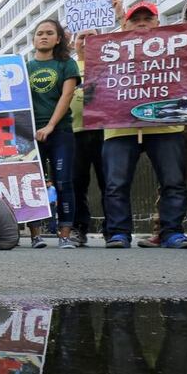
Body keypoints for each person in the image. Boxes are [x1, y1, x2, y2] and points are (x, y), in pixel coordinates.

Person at [102, 1, 187, 248]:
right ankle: (119, 233)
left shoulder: (177, 47)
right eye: (135, 19)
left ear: (158, 23)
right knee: (115, 184)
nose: (141, 22)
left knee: (173, 181)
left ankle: (171, 232)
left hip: (166, 125)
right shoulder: (110, 50)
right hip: (119, 126)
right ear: (126, 24)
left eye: (147, 18)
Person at [27, 19, 80, 249]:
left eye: (49, 33)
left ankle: (65, 235)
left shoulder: (66, 64)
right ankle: (35, 235)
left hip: (60, 132)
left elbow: (66, 96)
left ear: (58, 38)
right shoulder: (24, 67)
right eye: (39, 33)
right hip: (28, 135)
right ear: (33, 39)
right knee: (32, 184)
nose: (44, 37)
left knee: (63, 182)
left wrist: (49, 125)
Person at [69, 31, 106, 246]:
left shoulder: (111, 66)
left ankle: (113, 229)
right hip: (74, 132)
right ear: (74, 44)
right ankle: (79, 227)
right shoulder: (70, 67)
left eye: (93, 36)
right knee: (76, 184)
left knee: (109, 183)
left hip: (106, 132)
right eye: (82, 37)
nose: (86, 41)